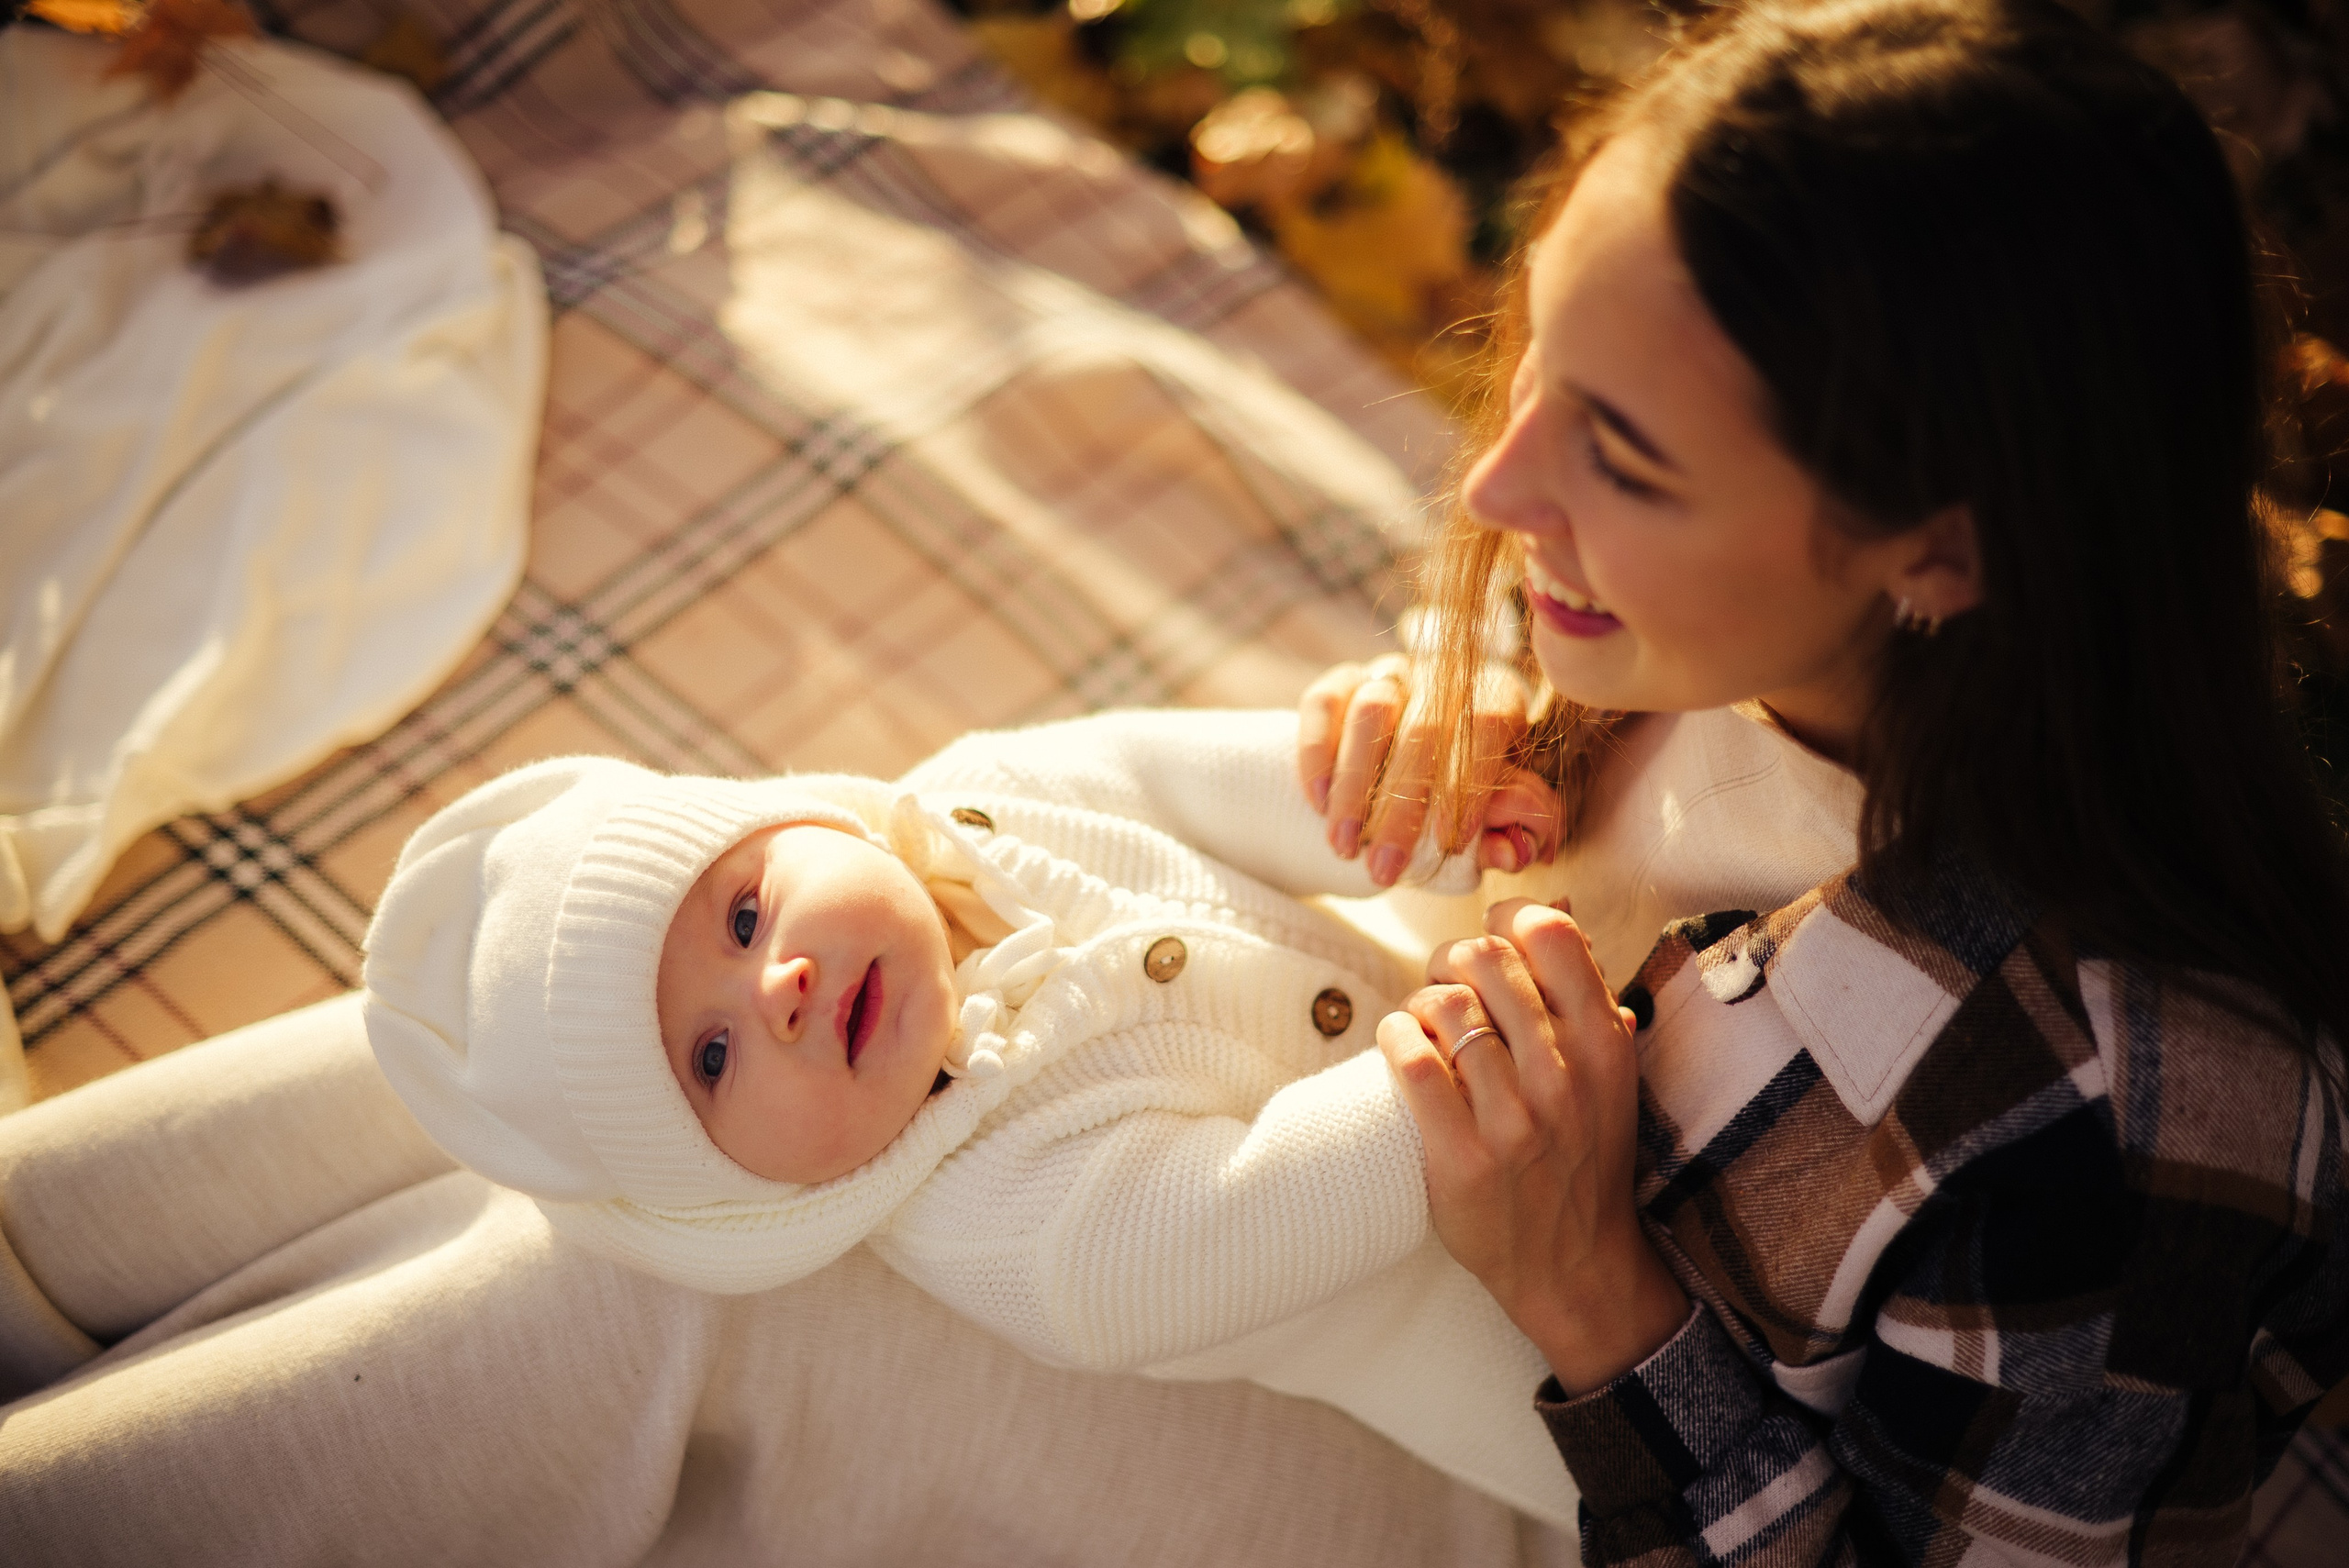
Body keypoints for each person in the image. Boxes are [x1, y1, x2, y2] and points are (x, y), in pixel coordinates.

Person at [1292, 0, 2349, 1561]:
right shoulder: (1702, 626)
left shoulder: (2102, 1134)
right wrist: (1448, 711)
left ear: (1943, 550)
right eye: (1541, 359)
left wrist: (1590, 1290)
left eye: (1626, 457)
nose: (1500, 488)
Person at [354, 710, 1582, 1524]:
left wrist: (1411, 816)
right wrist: (1463, 1057)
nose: (777, 988)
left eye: (743, 914)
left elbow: (1186, 778)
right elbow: (1253, 1209)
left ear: (799, 816)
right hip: (1556, 1349)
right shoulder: (1012, 1231)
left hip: (1533, 1042)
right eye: (712, 1058)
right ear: (741, 1190)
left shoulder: (986, 793)